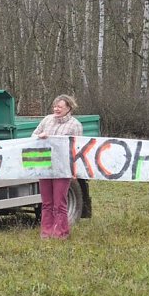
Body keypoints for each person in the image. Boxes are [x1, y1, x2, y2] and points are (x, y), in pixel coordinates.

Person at [32, 94, 84, 239]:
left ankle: (61, 233)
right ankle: (46, 232)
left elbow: (77, 148)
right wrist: (40, 136)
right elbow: (33, 136)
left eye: (60, 107)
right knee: (47, 202)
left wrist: (75, 169)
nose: (56, 109)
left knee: (59, 202)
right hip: (45, 166)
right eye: (55, 106)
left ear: (68, 108)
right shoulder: (47, 120)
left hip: (62, 168)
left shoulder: (75, 125)